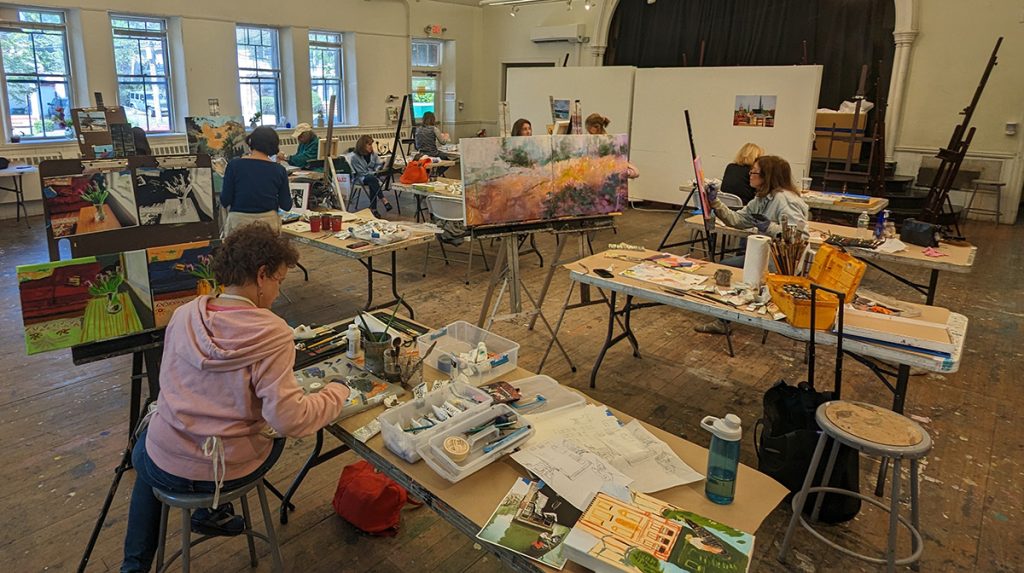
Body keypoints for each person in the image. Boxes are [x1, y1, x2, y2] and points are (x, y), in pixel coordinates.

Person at [120, 223, 350, 573]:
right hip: (226, 467)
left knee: (147, 453)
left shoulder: (184, 315)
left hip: (171, 459)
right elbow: (290, 421)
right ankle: (211, 510)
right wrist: (337, 391)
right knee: (267, 435)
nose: (277, 293)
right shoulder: (272, 332)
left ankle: (134, 566)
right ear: (261, 276)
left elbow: (171, 388)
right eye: (279, 281)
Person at [707, 154, 808, 244]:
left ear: (767, 176)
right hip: (765, 253)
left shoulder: (785, 200)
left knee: (726, 264)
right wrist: (715, 201)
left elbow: (800, 237)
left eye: (754, 172)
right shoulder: (762, 198)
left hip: (782, 261)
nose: (750, 175)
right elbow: (737, 220)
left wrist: (769, 227)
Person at [219, 126, 291, 236]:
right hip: (268, 224)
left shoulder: (234, 165)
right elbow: (286, 205)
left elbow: (225, 200)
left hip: (239, 223)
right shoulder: (279, 170)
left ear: (251, 142)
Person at [584, 113, 640, 179]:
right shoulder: (590, 145)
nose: (589, 135)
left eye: (590, 133)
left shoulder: (613, 144)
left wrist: (626, 172)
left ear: (597, 127)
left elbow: (636, 172)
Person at [349, 134, 393, 217]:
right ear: (362, 145)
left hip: (372, 177)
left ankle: (374, 209)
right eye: (369, 144)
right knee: (372, 179)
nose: (371, 147)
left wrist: (379, 168)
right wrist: (374, 173)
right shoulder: (355, 157)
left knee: (372, 181)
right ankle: (383, 200)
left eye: (371, 144)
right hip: (360, 178)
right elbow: (361, 172)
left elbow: (377, 164)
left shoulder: (373, 154)